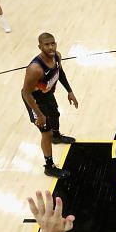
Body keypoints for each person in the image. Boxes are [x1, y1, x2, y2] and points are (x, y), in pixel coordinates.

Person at [21, 33, 78, 178]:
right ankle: (49, 166)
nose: (51, 47)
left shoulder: (57, 56)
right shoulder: (35, 69)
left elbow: (60, 73)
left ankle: (57, 137)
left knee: (55, 114)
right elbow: (26, 93)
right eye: (47, 44)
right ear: (40, 47)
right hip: (34, 100)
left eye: (53, 43)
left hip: (46, 94)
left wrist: (70, 91)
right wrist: (39, 114)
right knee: (45, 132)